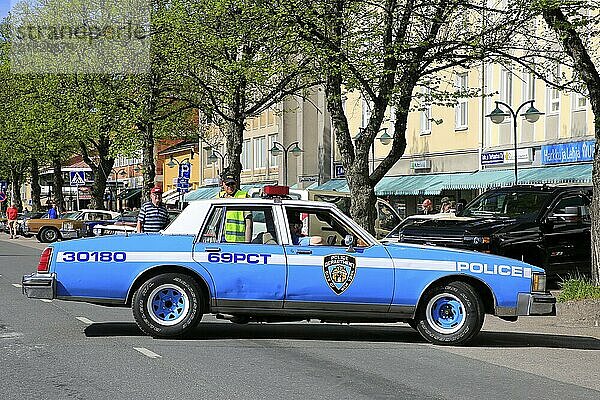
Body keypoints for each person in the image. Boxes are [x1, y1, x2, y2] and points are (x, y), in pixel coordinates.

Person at [216, 171, 252, 242]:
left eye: (232, 184)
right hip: (221, 239)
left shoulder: (243, 197)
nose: (230, 186)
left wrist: (247, 244)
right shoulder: (219, 197)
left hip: (238, 242)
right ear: (222, 184)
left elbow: (249, 224)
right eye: (227, 184)